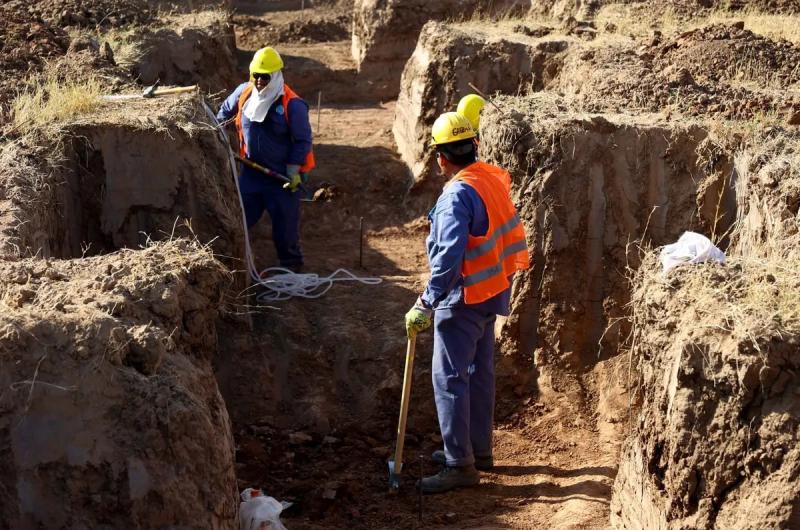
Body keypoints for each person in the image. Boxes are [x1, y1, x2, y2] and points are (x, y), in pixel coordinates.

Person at [405, 112, 529, 494]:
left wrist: (425, 303)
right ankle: (478, 450)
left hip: (464, 298)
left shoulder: (456, 195)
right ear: (475, 146)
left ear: (441, 157)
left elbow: (447, 259)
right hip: (492, 290)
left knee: (450, 378)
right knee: (478, 373)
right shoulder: (490, 178)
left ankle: (460, 464)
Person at [217, 46, 314, 272]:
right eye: (256, 75)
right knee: (241, 220)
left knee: (285, 228)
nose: (259, 81)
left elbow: (302, 141)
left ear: (276, 75)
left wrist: (293, 170)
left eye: (265, 76)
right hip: (251, 174)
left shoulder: (293, 105)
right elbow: (223, 113)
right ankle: (235, 263)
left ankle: (292, 267)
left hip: (280, 178)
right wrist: (216, 134)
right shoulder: (244, 93)